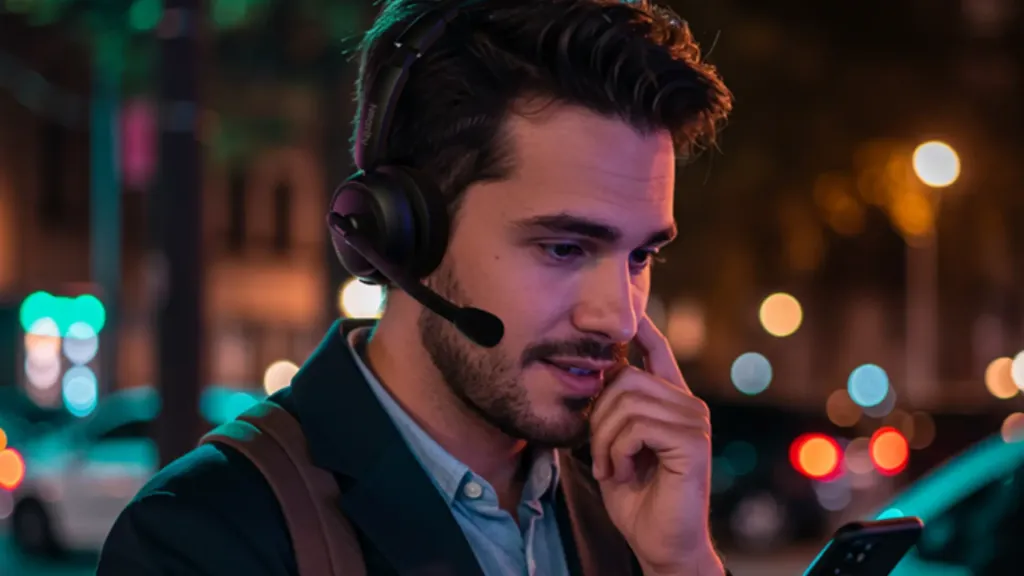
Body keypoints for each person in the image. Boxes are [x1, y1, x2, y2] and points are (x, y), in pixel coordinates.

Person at [97, 0, 733, 574]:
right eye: (563, 248)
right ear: (403, 233)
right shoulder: (206, 534)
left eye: (641, 255)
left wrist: (682, 565)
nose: (618, 319)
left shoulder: (632, 512)